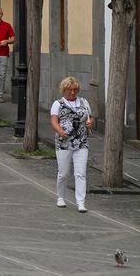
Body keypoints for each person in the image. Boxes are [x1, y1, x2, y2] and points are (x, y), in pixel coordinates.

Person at [51, 76, 94, 212]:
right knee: (63, 173)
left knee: (80, 173)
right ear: (64, 90)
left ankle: (80, 202)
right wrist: (60, 131)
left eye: (75, 89)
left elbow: (90, 117)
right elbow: (54, 121)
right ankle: (61, 197)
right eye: (70, 90)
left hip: (81, 141)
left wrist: (90, 122)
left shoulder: (83, 102)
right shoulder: (58, 103)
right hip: (64, 142)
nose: (73, 92)